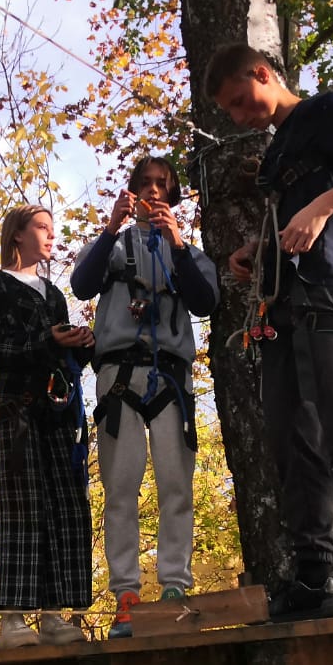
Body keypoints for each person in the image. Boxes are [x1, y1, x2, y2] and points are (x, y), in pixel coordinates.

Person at [206, 42, 333, 618]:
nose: (240, 117)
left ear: (263, 73)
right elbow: (294, 221)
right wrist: (258, 248)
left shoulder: (323, 111)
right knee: (295, 442)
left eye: (241, 101)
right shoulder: (277, 151)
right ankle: (314, 575)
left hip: (330, 293)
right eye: (230, 111)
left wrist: (322, 207)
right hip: (283, 307)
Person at [70, 156, 220, 637]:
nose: (154, 191)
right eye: (145, 184)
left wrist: (177, 244)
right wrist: (111, 228)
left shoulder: (188, 252)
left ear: (172, 197)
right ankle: (126, 596)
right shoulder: (112, 245)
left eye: (162, 185)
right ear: (132, 192)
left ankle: (174, 586)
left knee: (176, 485)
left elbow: (205, 301)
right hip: (119, 376)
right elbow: (81, 284)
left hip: (170, 377)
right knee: (120, 488)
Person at [0, 205, 96, 648]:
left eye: (52, 229)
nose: (50, 235)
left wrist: (81, 344)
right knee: (20, 505)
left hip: (57, 409)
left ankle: (55, 615)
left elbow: (60, 356)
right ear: (17, 235)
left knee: (64, 505)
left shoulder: (54, 294)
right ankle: (12, 619)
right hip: (15, 406)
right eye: (42, 227)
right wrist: (46, 340)